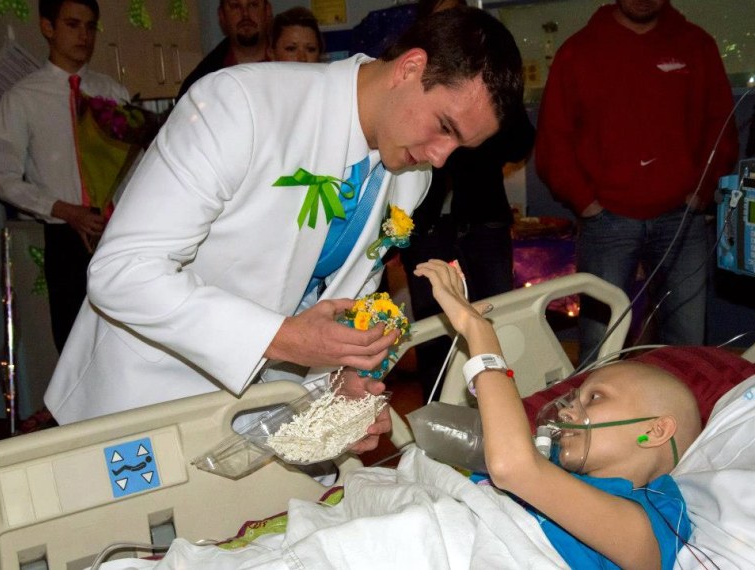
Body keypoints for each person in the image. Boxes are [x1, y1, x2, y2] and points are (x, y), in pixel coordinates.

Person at [45, 7, 526, 436]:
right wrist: (282, 338)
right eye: (445, 127)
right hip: (144, 399)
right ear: (410, 67)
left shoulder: (409, 177)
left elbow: (328, 301)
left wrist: (340, 389)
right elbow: (121, 273)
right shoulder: (240, 106)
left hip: (258, 420)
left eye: (459, 148)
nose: (441, 159)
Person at [415, 259, 701, 568]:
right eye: (575, 398)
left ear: (655, 431)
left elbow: (512, 466)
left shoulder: (655, 520)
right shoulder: (547, 463)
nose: (565, 414)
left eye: (595, 398)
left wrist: (478, 330)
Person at [535, 0, 739, 365]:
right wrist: (586, 203)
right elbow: (554, 140)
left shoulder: (696, 46)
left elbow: (720, 125)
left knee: (688, 344)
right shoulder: (579, 51)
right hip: (606, 222)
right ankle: (594, 420)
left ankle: (688, 419)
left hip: (682, 217)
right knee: (600, 345)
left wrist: (702, 192)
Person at [399, 0, 535, 401]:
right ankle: (436, 416)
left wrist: (479, 129)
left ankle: (500, 407)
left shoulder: (486, 80)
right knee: (432, 329)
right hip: (425, 227)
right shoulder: (418, 81)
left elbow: (521, 142)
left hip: (483, 220)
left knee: (498, 319)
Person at [0, 0, 129, 352]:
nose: (84, 35)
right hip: (63, 236)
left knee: (124, 343)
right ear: (47, 27)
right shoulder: (22, 98)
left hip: (117, 232)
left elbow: (136, 169)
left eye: (90, 26)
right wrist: (64, 210)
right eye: (73, 24)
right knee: (74, 347)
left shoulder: (112, 92)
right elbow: (2, 176)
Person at [176, 0, 273, 100]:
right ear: (222, 16)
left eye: (253, 5)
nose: (245, 14)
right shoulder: (200, 83)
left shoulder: (287, 65)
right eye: (235, 6)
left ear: (268, 11)